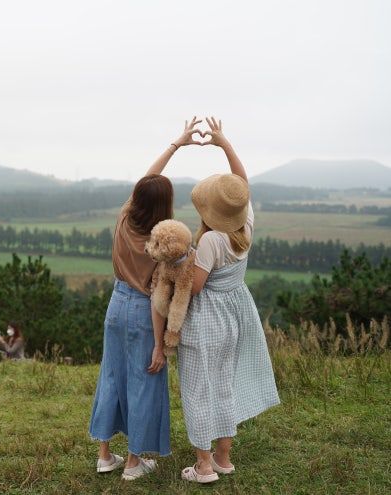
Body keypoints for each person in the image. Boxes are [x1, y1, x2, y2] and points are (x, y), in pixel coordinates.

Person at [88, 117, 203, 481]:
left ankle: (106, 455)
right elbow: (157, 299)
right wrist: (159, 344)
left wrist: (175, 144)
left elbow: (145, 182)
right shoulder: (162, 246)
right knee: (144, 381)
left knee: (111, 377)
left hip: (115, 305)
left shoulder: (124, 217)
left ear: (137, 199)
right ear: (164, 207)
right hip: (142, 311)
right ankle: (135, 463)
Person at [177, 117, 280, 484]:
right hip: (235, 316)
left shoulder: (209, 241)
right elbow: (243, 187)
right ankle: (223, 457)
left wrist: (176, 270)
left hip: (207, 319)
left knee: (198, 388)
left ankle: (203, 467)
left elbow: (195, 289)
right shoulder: (244, 229)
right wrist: (224, 143)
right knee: (223, 385)